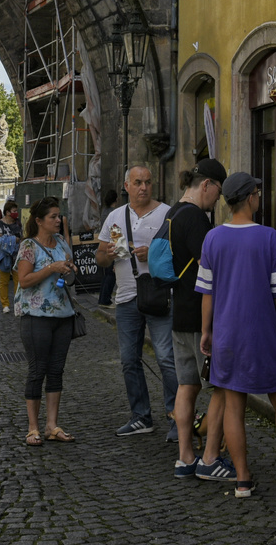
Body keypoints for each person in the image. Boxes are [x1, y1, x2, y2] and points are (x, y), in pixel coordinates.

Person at [197, 173, 276, 500]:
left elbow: (207, 293)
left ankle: (243, 481)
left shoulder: (213, 239)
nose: (260, 197)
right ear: (250, 197)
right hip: (262, 332)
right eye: (258, 192)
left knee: (234, 406)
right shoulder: (269, 238)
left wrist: (207, 331)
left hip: (226, 333)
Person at [97, 165, 179, 440]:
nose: (143, 187)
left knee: (167, 359)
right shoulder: (115, 217)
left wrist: (152, 256)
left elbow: (180, 255)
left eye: (148, 182)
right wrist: (108, 254)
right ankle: (141, 416)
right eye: (138, 182)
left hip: (158, 295)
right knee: (129, 360)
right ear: (127, 186)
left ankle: (177, 418)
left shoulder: (167, 214)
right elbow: (100, 257)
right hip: (126, 297)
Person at [169, 157, 234, 482]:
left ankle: (185, 458)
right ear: (206, 184)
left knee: (187, 385)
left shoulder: (171, 212)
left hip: (178, 311)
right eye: (218, 192)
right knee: (220, 388)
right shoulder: (195, 218)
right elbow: (210, 268)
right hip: (200, 316)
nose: (217, 200)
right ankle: (210, 457)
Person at [16, 196, 78, 446]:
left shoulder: (62, 242)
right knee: (37, 370)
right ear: (39, 221)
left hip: (62, 315)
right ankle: (33, 428)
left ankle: (52, 425)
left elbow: (68, 265)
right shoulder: (28, 246)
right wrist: (52, 268)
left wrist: (68, 268)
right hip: (36, 317)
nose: (58, 220)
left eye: (59, 215)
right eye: (52, 216)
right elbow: (24, 280)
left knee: (56, 371)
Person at [0, 200, 22, 312]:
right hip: (4, 256)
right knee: (4, 281)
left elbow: (22, 236)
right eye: (14, 211)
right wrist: (12, 240)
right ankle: (5, 304)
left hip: (17, 256)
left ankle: (18, 302)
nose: (16, 213)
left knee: (18, 281)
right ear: (7, 212)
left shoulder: (18, 223)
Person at [97, 189, 120, 306]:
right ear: (116, 199)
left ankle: (103, 299)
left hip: (106, 243)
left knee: (107, 275)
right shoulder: (114, 213)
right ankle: (105, 300)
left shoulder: (104, 211)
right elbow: (116, 233)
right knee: (111, 275)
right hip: (112, 245)